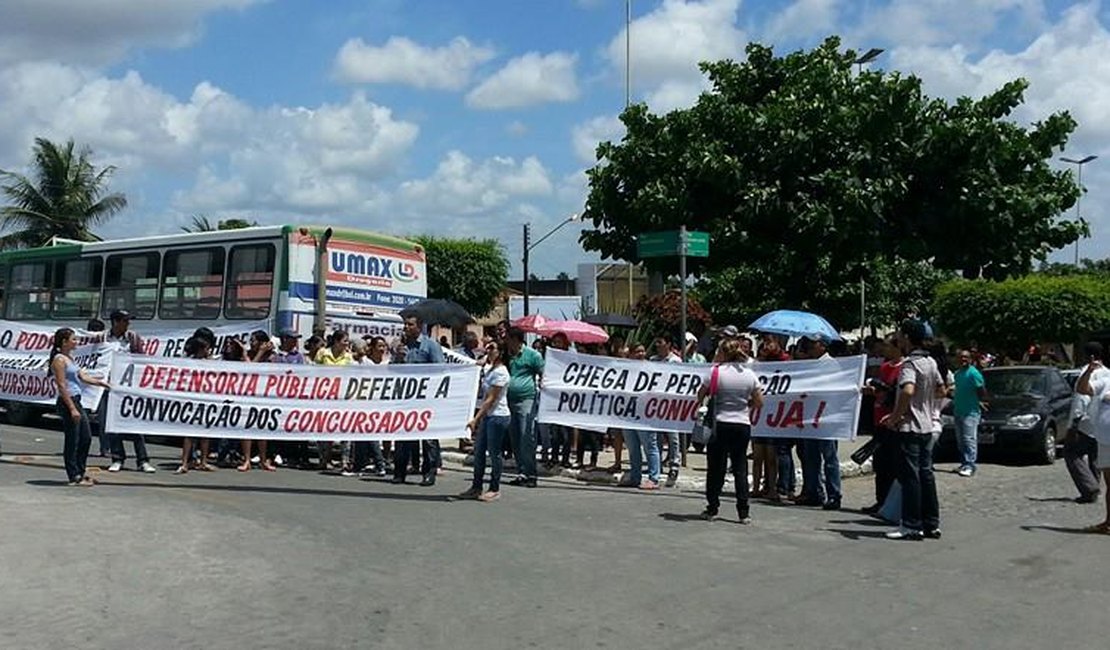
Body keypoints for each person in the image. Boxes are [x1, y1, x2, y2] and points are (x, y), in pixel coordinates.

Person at [881, 319, 944, 540]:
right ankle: (931, 523)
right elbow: (941, 390)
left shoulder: (910, 364)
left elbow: (907, 390)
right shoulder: (930, 362)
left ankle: (911, 524)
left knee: (911, 477)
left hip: (910, 427)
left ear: (906, 337)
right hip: (927, 425)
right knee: (926, 475)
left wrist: (897, 416)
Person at [697, 339, 763, 523]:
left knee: (716, 468)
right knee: (740, 467)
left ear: (723, 353)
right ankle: (743, 512)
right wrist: (744, 405)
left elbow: (700, 395)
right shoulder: (749, 375)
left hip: (719, 424)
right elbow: (759, 401)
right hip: (741, 425)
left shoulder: (716, 372)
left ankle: (712, 508)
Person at [50, 328, 111, 486]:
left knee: (86, 437)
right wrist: (72, 408)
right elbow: (62, 386)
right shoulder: (59, 360)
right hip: (68, 401)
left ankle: (80, 471)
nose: (76, 342)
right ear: (64, 342)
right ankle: (73, 475)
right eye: (73, 339)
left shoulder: (70, 358)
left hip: (77, 399)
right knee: (73, 439)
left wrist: (101, 383)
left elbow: (82, 377)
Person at [392, 315, 445, 486]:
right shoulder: (402, 346)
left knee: (428, 438)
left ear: (420, 326)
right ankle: (399, 471)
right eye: (405, 324)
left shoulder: (431, 345)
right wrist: (399, 359)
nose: (406, 327)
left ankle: (429, 471)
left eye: (410, 324)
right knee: (403, 435)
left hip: (426, 398)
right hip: (406, 398)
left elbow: (440, 369)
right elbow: (392, 371)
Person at [102, 310, 156, 473]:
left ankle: (143, 460)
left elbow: (141, 361)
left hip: (128, 386)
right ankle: (117, 458)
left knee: (134, 424)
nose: (128, 324)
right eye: (125, 321)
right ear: (115, 322)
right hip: (108, 385)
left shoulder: (133, 338)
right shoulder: (103, 338)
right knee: (112, 424)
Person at [459, 341, 512, 502]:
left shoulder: (501, 372)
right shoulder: (490, 369)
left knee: (494, 453)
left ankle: (494, 488)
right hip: (487, 416)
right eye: (487, 348)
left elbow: (490, 399)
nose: (488, 350)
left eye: (492, 348)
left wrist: (476, 419)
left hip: (498, 416)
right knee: (479, 451)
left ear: (500, 352)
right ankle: (476, 486)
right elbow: (478, 366)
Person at [797, 334, 842, 510]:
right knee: (811, 457)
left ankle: (834, 494)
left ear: (822, 346)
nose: (810, 346)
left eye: (813, 343)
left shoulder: (831, 365)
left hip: (826, 417)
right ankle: (815, 492)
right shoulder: (810, 364)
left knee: (829, 457)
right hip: (810, 416)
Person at [861, 335, 903, 515]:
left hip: (893, 421)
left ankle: (892, 504)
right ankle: (881, 501)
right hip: (878, 419)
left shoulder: (904, 368)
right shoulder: (885, 367)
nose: (884, 349)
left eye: (887, 346)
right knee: (881, 464)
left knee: (893, 464)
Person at [1065, 342, 1109, 504]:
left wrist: (1072, 426)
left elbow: (1081, 400)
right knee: (1095, 456)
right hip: (1102, 423)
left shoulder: (1086, 373)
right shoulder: (1108, 373)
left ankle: (1089, 488)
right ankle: (1093, 487)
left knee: (1071, 453)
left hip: (1086, 422)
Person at [505, 326, 544, 487]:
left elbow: (544, 374)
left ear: (516, 339)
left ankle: (531, 473)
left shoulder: (533, 355)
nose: (506, 341)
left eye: (508, 338)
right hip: (508, 400)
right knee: (514, 437)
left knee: (526, 436)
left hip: (526, 399)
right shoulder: (505, 355)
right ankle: (521, 472)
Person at [1076, 356, 1110, 533]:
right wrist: (1089, 372)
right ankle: (1108, 523)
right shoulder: (1106, 381)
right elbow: (1082, 389)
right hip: (1105, 439)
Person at [236, 330, 277, 473]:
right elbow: (250, 369)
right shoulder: (248, 355)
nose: (251, 343)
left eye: (254, 340)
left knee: (261, 428)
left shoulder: (271, 357)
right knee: (247, 428)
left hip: (264, 396)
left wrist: (264, 352)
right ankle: (247, 459)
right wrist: (257, 353)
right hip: (248, 396)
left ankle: (263, 459)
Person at [315, 331, 354, 472]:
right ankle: (324, 459)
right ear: (336, 341)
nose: (346, 343)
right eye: (344, 340)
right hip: (325, 396)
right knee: (324, 428)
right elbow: (314, 372)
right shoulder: (322, 353)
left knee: (344, 428)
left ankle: (344, 460)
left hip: (342, 396)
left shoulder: (348, 357)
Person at [177, 335, 216, 473]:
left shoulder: (211, 362)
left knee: (205, 433)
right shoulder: (189, 362)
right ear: (200, 349)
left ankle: (203, 462)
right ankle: (185, 462)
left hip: (206, 400)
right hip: (192, 400)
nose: (209, 350)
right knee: (189, 434)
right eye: (206, 348)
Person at [650, 335, 684, 486]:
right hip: (655, 402)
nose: (658, 345)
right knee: (656, 435)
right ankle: (657, 464)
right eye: (657, 343)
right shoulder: (653, 360)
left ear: (668, 344)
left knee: (673, 436)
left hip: (671, 402)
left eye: (661, 342)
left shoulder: (676, 361)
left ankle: (674, 464)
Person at [951, 349, 989, 477]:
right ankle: (963, 463)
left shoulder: (974, 373)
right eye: (960, 357)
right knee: (960, 440)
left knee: (969, 439)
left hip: (970, 412)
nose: (963, 360)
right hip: (958, 410)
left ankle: (970, 465)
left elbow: (981, 389)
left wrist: (982, 401)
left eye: (966, 357)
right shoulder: (957, 374)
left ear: (970, 359)